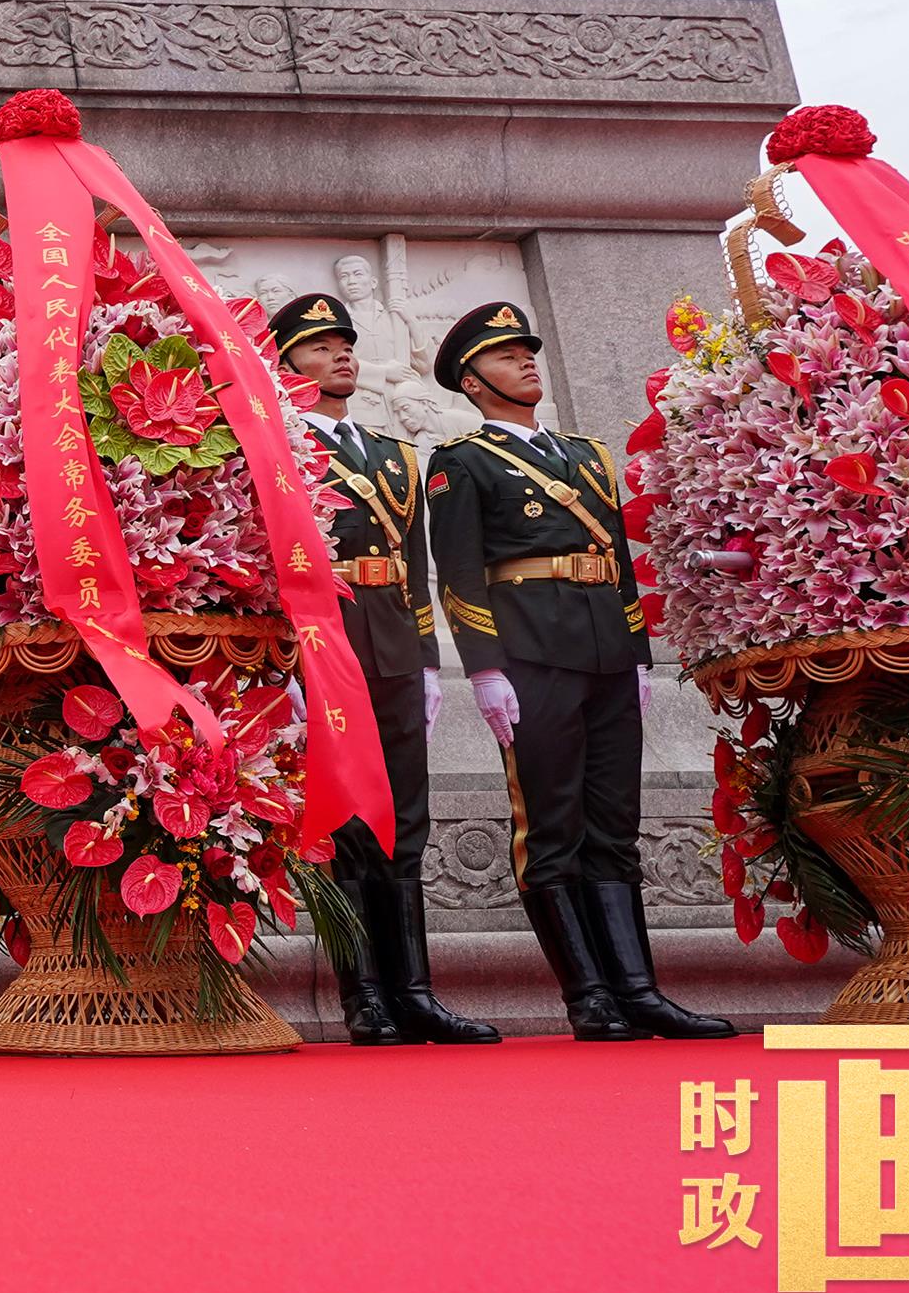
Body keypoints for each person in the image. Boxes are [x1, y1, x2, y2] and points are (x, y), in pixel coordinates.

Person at [425, 301, 730, 1041]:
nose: (526, 361)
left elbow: (618, 562)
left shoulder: (587, 456)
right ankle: (589, 995)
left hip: (605, 656)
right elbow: (458, 574)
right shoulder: (462, 462)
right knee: (550, 826)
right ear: (473, 381)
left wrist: (636, 657)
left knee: (614, 826)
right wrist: (485, 671)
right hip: (531, 659)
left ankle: (639, 990)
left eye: (528, 351)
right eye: (506, 356)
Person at [267, 292, 492, 1045]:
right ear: (285, 363)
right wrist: (283, 667)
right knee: (345, 820)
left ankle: (415, 993)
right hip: (322, 647)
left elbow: (413, 569)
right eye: (319, 346)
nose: (341, 355)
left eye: (345, 344)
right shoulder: (273, 447)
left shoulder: (394, 456)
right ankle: (364, 995)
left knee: (404, 819)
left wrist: (427, 660)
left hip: (393, 644)